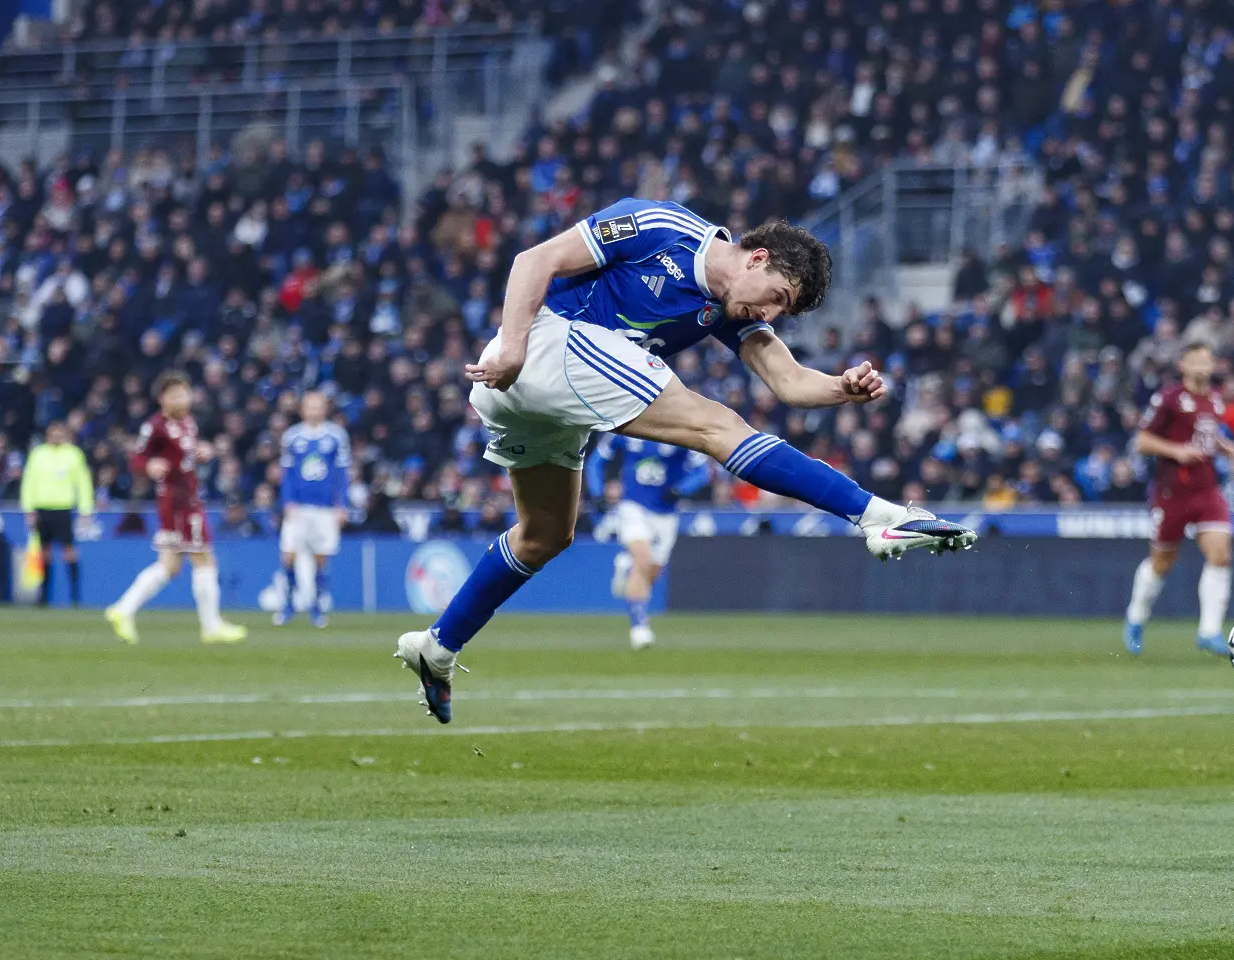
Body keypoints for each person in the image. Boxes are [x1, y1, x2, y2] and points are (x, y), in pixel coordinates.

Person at [396, 198, 976, 723]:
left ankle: (438, 646)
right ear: (758, 258)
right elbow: (532, 261)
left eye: (784, 312)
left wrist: (841, 388)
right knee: (717, 425)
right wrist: (517, 345)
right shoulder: (661, 228)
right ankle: (876, 516)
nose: (770, 315)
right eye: (777, 297)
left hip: (541, 394)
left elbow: (790, 381)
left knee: (545, 534)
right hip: (543, 345)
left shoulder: (733, 310)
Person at [103, 371, 248, 645]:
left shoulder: (188, 423)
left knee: (170, 566)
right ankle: (211, 625)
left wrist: (201, 452)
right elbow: (138, 458)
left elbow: (183, 456)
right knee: (204, 558)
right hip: (177, 501)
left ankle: (123, 609)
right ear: (162, 399)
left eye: (184, 393)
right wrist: (148, 466)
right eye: (175, 394)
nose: (182, 399)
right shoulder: (156, 426)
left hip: (186, 497)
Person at [1123, 341, 1234, 655]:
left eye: (1207, 359)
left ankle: (1210, 631)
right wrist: (1176, 451)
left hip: (1206, 489)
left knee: (1220, 552)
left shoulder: (1214, 400)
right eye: (1196, 359)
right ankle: (1136, 616)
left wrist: (1224, 446)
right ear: (1183, 365)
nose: (1203, 365)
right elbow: (1142, 440)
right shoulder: (1169, 398)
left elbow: (1205, 434)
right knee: (1162, 562)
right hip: (1172, 492)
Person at [589, 435, 711, 649]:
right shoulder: (626, 429)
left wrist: (681, 489)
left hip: (666, 514)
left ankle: (628, 566)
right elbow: (595, 461)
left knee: (652, 572)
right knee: (643, 559)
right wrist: (597, 492)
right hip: (632, 507)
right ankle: (639, 627)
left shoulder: (682, 431)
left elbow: (703, 472)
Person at [274, 390, 350, 628]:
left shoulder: (336, 436)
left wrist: (342, 505)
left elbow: (342, 474)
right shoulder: (292, 437)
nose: (315, 410)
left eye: (319, 406)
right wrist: (287, 501)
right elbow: (287, 473)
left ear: (324, 409)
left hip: (325, 508)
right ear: (302, 410)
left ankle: (317, 607)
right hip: (298, 506)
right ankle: (288, 605)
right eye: (310, 406)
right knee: (288, 554)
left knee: (320, 558)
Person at [19, 420, 94, 606]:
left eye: (60, 432)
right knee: (44, 553)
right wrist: (28, 509)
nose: (57, 436)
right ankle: (44, 597)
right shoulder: (38, 454)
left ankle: (75, 596)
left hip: (63, 508)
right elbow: (29, 482)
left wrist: (86, 509)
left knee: (69, 551)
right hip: (42, 508)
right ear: (48, 434)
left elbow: (83, 482)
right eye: (54, 432)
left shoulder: (73, 454)